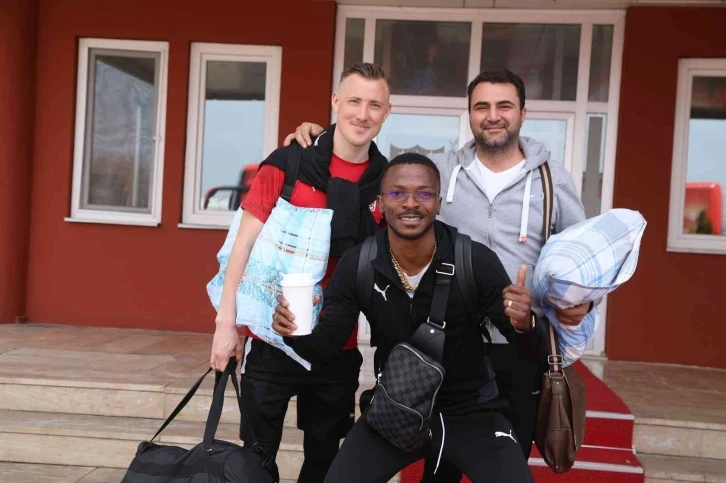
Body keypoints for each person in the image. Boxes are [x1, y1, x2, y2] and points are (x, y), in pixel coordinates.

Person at [284, 69, 594, 480]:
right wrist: (320, 136)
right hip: (410, 384)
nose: (411, 202)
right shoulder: (443, 172)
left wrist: (565, 309)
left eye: (504, 106)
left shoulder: (550, 179)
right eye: (482, 106)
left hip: (502, 355)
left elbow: (581, 258)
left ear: (523, 113)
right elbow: (374, 158)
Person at [273, 153, 535, 483]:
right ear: (381, 203)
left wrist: (526, 325)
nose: (410, 203)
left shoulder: (474, 260)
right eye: (397, 193)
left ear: (438, 203)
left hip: (471, 411)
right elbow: (327, 345)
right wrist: (294, 333)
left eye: (423, 193)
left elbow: (527, 352)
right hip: (395, 407)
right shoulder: (360, 263)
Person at [208, 62, 391, 483]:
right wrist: (225, 323)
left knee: (323, 464)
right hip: (269, 339)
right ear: (336, 102)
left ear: (387, 111)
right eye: (354, 101)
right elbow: (242, 244)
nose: (363, 114)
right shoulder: (289, 161)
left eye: (374, 105)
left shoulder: (386, 183)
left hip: (337, 345)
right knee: (256, 462)